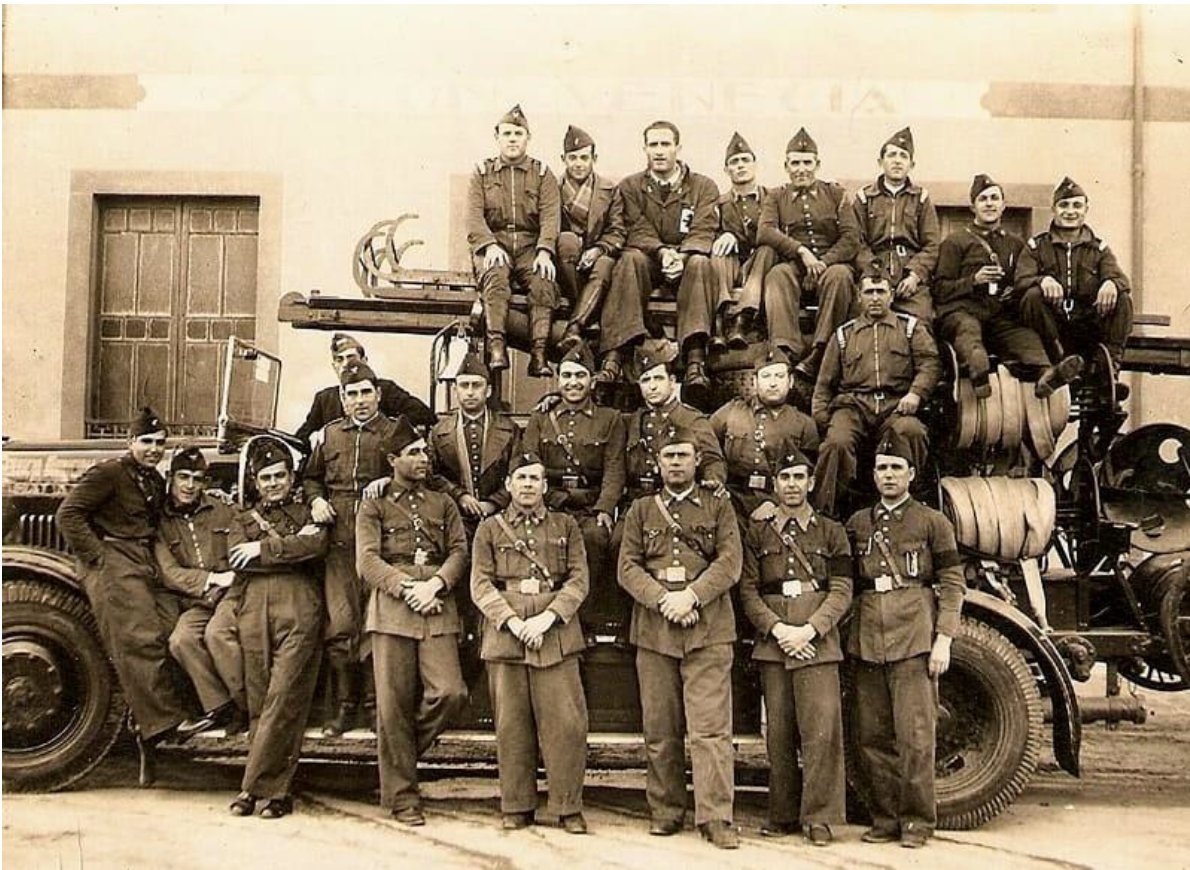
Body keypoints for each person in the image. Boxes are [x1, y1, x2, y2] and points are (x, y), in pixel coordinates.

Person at [617, 428, 743, 849]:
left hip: (708, 628)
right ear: (657, 462)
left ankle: (716, 816)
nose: (675, 463)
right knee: (660, 728)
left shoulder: (718, 505)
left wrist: (691, 596)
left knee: (710, 729)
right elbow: (628, 567)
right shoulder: (640, 510)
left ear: (697, 461)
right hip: (656, 630)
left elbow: (730, 562)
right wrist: (662, 600)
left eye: (683, 456)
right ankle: (666, 810)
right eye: (668, 455)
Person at [56, 406, 191, 785]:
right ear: (130, 441)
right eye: (146, 441)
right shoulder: (109, 473)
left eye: (160, 443)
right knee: (138, 639)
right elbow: (68, 515)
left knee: (172, 625)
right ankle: (161, 724)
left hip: (143, 560)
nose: (153, 449)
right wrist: (99, 558)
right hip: (114, 559)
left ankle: (151, 719)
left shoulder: (153, 479)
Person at [846, 437, 965, 849]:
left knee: (915, 736)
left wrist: (943, 639)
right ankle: (885, 818)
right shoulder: (859, 523)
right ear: (873, 475)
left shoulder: (933, 522)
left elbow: (952, 583)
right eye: (882, 468)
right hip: (868, 637)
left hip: (913, 636)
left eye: (896, 468)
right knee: (872, 737)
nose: (889, 475)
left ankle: (916, 821)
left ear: (911, 474)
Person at [356, 418, 469, 826]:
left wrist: (435, 584)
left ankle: (397, 760)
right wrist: (408, 589)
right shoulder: (374, 504)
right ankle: (403, 797)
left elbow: (459, 551)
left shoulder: (444, 503)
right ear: (392, 459)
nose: (424, 459)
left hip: (437, 603)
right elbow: (367, 560)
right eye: (414, 453)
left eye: (425, 452)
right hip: (393, 609)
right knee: (393, 707)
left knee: (450, 692)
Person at [470, 452, 591, 833]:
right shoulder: (489, 529)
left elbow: (578, 580)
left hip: (554, 631)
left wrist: (546, 618)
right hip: (507, 633)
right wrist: (512, 622)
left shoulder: (566, 525)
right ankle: (516, 804)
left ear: (544, 486)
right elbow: (480, 584)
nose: (527, 485)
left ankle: (567, 806)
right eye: (520, 478)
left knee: (566, 724)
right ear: (508, 485)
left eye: (534, 478)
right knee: (511, 724)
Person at [738, 447, 851, 845]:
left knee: (820, 732)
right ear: (774, 484)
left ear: (811, 482)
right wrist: (778, 630)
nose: (791, 485)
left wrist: (810, 630)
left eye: (799, 477)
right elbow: (748, 590)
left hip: (817, 643)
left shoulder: (831, 531)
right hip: (776, 643)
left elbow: (842, 589)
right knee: (779, 734)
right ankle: (782, 813)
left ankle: (820, 817)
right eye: (784, 478)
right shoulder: (758, 533)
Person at [227, 438, 329, 820]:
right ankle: (273, 790)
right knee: (260, 699)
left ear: (292, 478)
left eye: (280, 476)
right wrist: (288, 548)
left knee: (284, 697)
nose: (273, 484)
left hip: (299, 607)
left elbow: (316, 546)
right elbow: (238, 557)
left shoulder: (309, 512)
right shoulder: (244, 518)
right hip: (254, 608)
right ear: (255, 482)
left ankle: (255, 788)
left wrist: (263, 550)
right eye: (266, 478)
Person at [303, 360, 404, 736]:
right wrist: (316, 500)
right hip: (341, 543)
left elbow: (419, 475)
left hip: (383, 545)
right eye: (352, 394)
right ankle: (346, 707)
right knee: (342, 626)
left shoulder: (394, 433)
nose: (359, 401)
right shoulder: (329, 435)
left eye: (365, 392)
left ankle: (377, 708)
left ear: (378, 394)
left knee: (377, 626)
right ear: (342, 399)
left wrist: (389, 482)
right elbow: (311, 478)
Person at [596, 120, 720, 402]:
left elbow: (704, 227)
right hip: (651, 257)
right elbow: (636, 227)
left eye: (666, 144)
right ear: (645, 149)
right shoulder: (631, 186)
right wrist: (663, 253)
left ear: (678, 147)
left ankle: (695, 359)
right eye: (653, 144)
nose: (660, 151)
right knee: (629, 260)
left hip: (687, 257)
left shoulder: (703, 186)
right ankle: (615, 356)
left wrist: (682, 256)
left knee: (701, 263)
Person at [934, 174, 1084, 399]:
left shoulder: (1015, 244)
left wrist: (1013, 291)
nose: (989, 204)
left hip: (999, 315)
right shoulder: (955, 242)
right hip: (962, 312)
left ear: (1003, 205)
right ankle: (978, 371)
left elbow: (1025, 278)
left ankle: (1046, 375)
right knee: (968, 331)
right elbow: (939, 288)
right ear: (973, 207)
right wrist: (973, 281)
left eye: (994, 198)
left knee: (1024, 337)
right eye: (983, 199)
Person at [812, 262, 940, 517]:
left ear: (891, 296)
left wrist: (916, 393)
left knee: (912, 431)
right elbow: (824, 383)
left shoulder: (911, 328)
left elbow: (930, 364)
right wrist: (823, 419)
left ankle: (908, 510)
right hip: (854, 407)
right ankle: (826, 514)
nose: (875, 298)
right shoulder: (843, 334)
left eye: (880, 292)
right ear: (859, 297)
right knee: (836, 442)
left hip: (896, 405)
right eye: (869, 292)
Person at [522, 343, 625, 634]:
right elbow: (529, 464)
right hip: (549, 504)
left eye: (580, 375)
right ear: (558, 380)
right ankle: (544, 612)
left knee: (595, 539)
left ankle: (585, 623)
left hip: (589, 506)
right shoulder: (541, 417)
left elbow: (615, 469)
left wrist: (604, 509)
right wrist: (543, 501)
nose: (573, 382)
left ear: (592, 380)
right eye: (566, 376)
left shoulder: (610, 419)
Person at [155, 446, 246, 738]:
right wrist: (211, 579)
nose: (190, 485)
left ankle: (246, 706)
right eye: (183, 477)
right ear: (170, 478)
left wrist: (229, 578)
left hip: (231, 593)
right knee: (181, 640)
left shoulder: (223, 510)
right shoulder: (161, 522)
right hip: (199, 598)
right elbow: (169, 572)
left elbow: (240, 549)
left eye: (196, 479)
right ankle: (221, 705)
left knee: (217, 635)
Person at [757, 127, 860, 384]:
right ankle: (785, 350)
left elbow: (851, 238)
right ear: (786, 166)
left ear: (817, 164)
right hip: (795, 265)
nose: (801, 169)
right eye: (795, 163)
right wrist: (801, 251)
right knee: (777, 275)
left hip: (831, 264)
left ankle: (820, 351)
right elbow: (765, 231)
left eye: (807, 162)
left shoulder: (836, 194)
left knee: (840, 276)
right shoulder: (776, 196)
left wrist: (823, 262)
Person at [466, 104, 561, 376]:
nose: (512, 139)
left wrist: (545, 251)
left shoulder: (542, 174)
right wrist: (489, 245)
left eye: (518, 134)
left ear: (528, 138)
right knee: (495, 276)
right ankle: (497, 346)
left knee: (544, 280)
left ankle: (539, 353)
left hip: (530, 246)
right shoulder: (482, 172)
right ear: (497, 137)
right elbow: (473, 216)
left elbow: (551, 216)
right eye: (507, 133)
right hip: (495, 244)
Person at [1015, 176, 1134, 393]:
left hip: (1086, 327)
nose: (1070, 211)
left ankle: (1109, 370)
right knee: (1032, 296)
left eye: (1077, 205)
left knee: (1123, 298)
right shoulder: (1036, 247)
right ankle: (1062, 367)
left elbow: (1121, 279)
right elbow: (1021, 281)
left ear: (1086, 209)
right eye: (1064, 205)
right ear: (1054, 209)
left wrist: (1112, 283)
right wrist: (1042, 280)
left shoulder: (1099, 249)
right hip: (1053, 329)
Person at [711, 344, 820, 521]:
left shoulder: (804, 424)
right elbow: (705, 447)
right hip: (732, 498)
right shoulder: (730, 412)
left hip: (779, 503)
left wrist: (776, 503)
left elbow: (808, 477)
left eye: (779, 376)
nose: (773, 383)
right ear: (754, 382)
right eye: (766, 376)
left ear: (791, 381)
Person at [427, 351, 522, 535]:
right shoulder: (439, 432)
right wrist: (459, 495)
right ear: (455, 390)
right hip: (454, 519)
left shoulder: (509, 429)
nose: (470, 392)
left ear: (488, 391)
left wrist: (493, 503)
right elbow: (431, 475)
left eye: (476, 385)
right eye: (464, 385)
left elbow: (517, 472)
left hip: (501, 518)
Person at [852, 126, 939, 323]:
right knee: (861, 321)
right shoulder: (864, 198)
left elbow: (932, 245)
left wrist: (915, 275)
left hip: (909, 272)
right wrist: (873, 272)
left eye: (903, 156)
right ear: (880, 162)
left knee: (919, 322)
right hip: (874, 271)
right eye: (891, 155)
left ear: (911, 164)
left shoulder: (921, 199)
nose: (897, 161)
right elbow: (856, 241)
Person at [294, 333, 434, 449]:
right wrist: (317, 437)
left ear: (365, 360)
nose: (346, 364)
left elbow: (423, 415)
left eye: (351, 358)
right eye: (339, 360)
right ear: (334, 366)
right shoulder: (325, 399)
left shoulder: (386, 389)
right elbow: (302, 438)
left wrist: (385, 431)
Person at [555, 124, 625, 354]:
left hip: (597, 263)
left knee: (605, 264)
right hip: (565, 267)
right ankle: (588, 314)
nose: (578, 164)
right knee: (566, 240)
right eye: (572, 158)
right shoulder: (552, 189)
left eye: (584, 158)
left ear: (594, 159)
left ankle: (575, 326)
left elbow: (617, 230)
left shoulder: (610, 190)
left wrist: (598, 250)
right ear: (563, 159)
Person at [710, 132, 776, 350]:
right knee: (719, 250)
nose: (740, 165)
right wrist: (723, 236)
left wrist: (738, 236)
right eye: (734, 162)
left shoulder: (772, 199)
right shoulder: (719, 204)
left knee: (767, 249)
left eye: (745, 160)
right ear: (726, 170)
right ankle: (719, 322)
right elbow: (706, 232)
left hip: (759, 268)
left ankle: (742, 319)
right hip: (730, 268)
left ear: (755, 164)